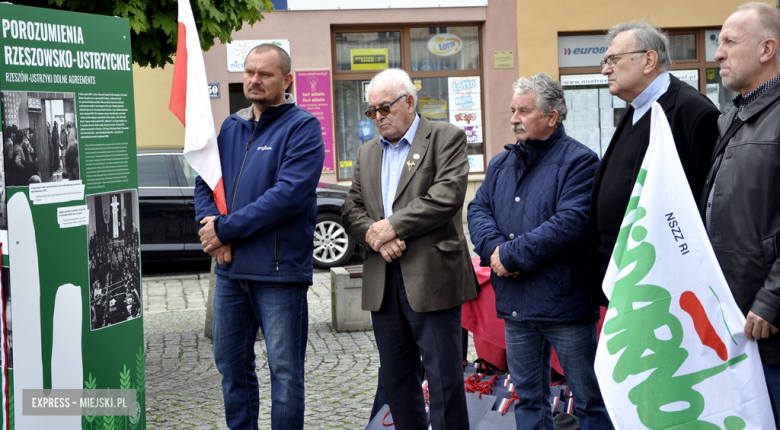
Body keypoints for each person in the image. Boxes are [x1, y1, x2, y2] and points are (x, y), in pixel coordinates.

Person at [467, 73, 612, 430]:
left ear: (552, 116)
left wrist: (510, 256)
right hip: (517, 306)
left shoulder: (581, 161)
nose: (515, 118)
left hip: (566, 307)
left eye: (524, 111)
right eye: (513, 111)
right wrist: (496, 250)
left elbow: (570, 223)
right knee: (529, 400)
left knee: (590, 400)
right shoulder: (502, 164)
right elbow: (478, 211)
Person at [194, 43, 324, 430]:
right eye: (249, 72)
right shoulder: (232, 127)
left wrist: (224, 229)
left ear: (286, 80)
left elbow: (285, 197)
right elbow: (206, 181)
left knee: (285, 374)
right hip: (231, 272)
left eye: (264, 74)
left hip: (278, 272)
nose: (254, 80)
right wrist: (211, 226)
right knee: (231, 366)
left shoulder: (303, 127)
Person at [341, 68, 477, 430]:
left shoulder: (445, 137)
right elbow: (351, 207)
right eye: (372, 112)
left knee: (444, 380)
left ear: (409, 101)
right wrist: (373, 234)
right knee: (397, 380)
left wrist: (392, 226)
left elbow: (446, 196)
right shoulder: (368, 152)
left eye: (384, 108)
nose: (378, 118)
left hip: (432, 277)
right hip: (383, 281)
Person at [589, 21, 720, 305]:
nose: (605, 69)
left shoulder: (692, 112)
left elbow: (704, 203)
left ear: (649, 60)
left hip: (664, 288)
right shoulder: (636, 108)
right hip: (627, 280)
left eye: (613, 59)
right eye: (605, 60)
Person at [700, 3, 780, 423]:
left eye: (729, 42)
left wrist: (772, 299)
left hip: (768, 324)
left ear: (767, 48)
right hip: (733, 316)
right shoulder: (732, 115)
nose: (718, 54)